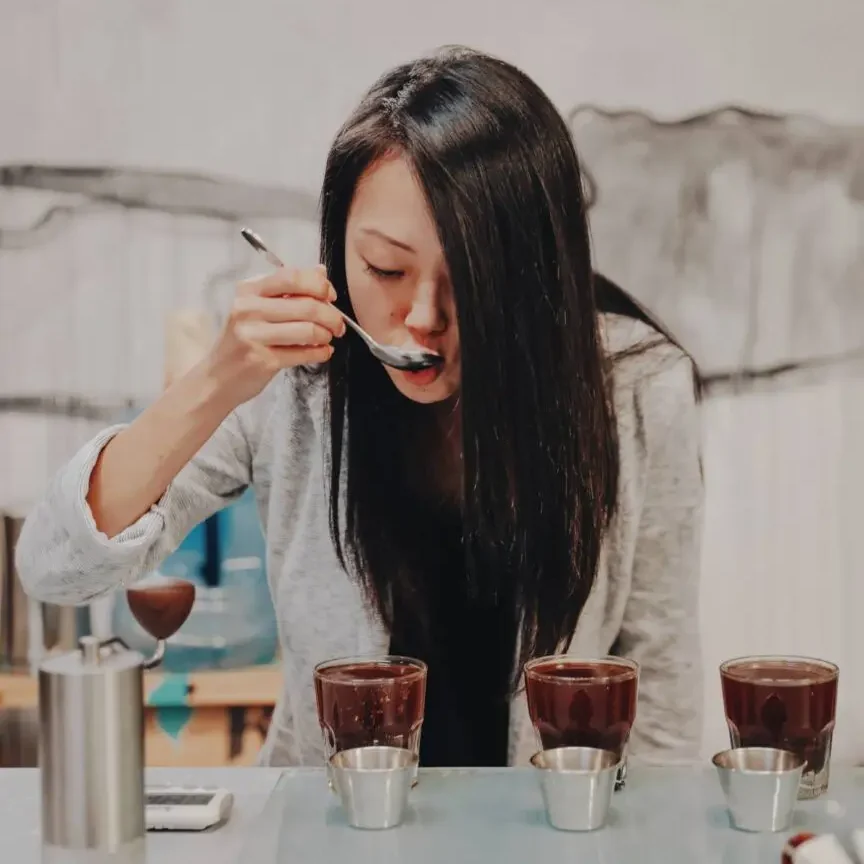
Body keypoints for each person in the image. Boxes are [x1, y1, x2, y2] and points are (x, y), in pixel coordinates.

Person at [15, 46, 704, 768]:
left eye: (471, 279)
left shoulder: (635, 386)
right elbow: (55, 568)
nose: (422, 318)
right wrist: (217, 378)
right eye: (385, 269)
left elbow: (659, 688)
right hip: (328, 832)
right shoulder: (295, 378)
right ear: (337, 248)